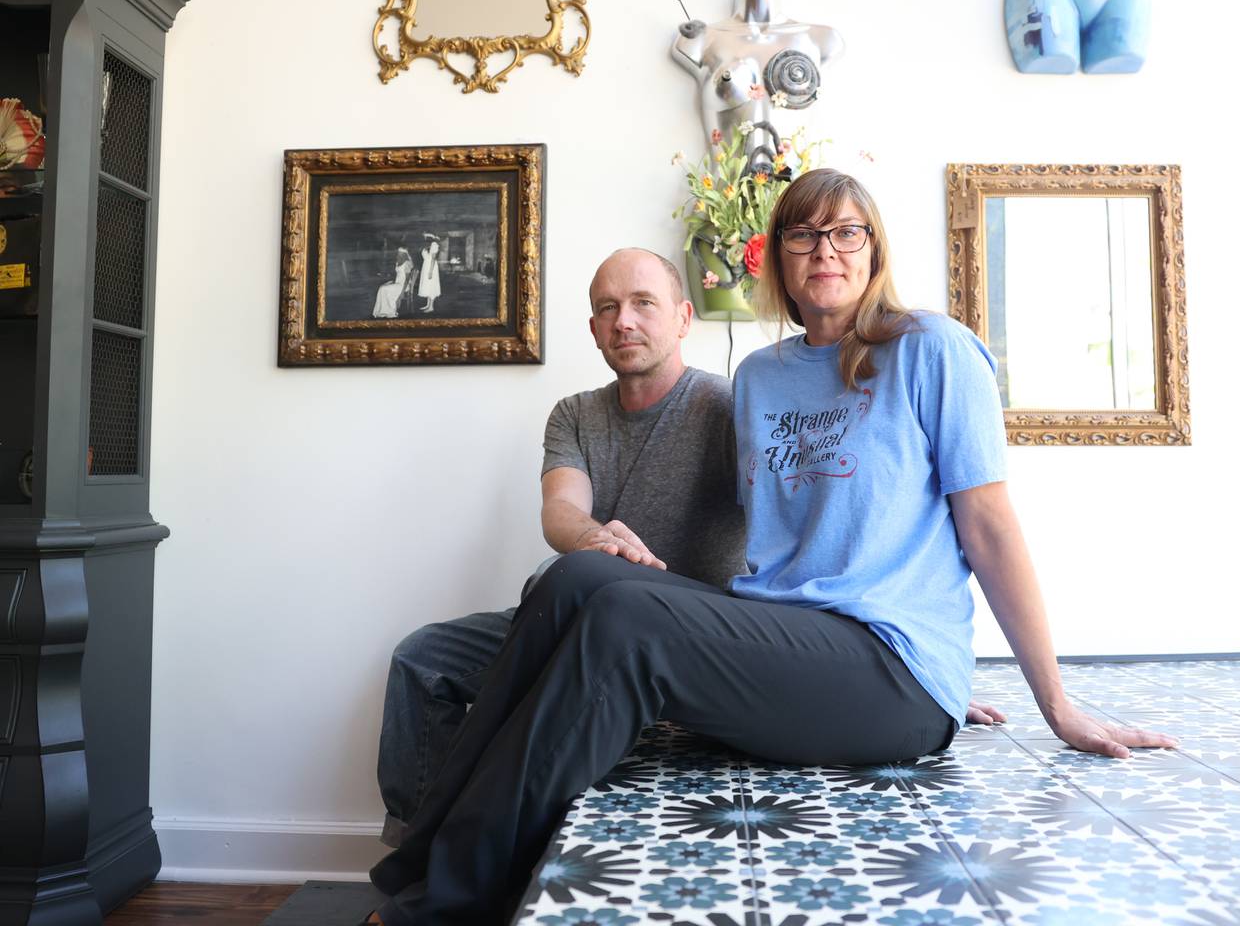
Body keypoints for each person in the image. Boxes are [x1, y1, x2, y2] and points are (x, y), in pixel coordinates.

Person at [366, 172, 1172, 925]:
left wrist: (1043, 700)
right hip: (801, 645)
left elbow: (990, 531)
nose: (825, 250)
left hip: (888, 663)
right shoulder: (759, 377)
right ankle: (416, 860)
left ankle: (444, 905)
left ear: (874, 251)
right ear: (777, 261)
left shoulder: (933, 349)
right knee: (575, 576)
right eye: (803, 235)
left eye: (847, 233)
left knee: (625, 628)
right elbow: (777, 547)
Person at [375, 247, 746, 847]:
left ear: (682, 318)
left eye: (643, 303)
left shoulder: (727, 407)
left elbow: (793, 523)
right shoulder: (573, 414)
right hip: (581, 615)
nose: (624, 320)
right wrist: (596, 538)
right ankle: (416, 853)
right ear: (595, 329)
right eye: (608, 308)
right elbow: (560, 510)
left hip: (690, 628)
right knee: (422, 658)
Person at [371, 247, 414, 319]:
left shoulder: (407, 264)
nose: (398, 255)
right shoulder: (398, 262)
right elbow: (398, 274)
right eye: (398, 253)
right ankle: (381, 311)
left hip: (403, 285)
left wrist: (402, 294)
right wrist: (393, 281)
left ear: (404, 254)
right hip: (397, 283)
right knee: (381, 288)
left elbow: (407, 279)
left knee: (384, 289)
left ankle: (390, 311)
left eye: (400, 254)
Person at [417, 235, 442, 313]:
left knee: (431, 286)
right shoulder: (426, 246)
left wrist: (430, 271)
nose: (424, 237)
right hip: (426, 266)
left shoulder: (434, 244)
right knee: (428, 285)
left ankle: (431, 307)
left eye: (425, 236)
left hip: (431, 267)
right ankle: (428, 305)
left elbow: (433, 259)